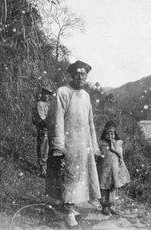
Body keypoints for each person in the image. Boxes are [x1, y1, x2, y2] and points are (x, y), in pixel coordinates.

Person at [46, 61, 101, 229]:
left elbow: (90, 122)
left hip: (83, 144)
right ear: (71, 75)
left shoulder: (85, 95)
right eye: (77, 73)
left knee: (81, 177)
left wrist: (94, 145)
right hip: (69, 144)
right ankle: (68, 211)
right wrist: (58, 145)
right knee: (68, 176)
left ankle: (72, 206)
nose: (80, 77)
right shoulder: (62, 92)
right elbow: (56, 120)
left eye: (83, 74)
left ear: (86, 77)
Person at [97, 121, 131, 215]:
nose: (110, 135)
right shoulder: (101, 143)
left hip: (114, 170)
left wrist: (114, 144)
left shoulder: (118, 143)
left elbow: (120, 155)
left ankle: (111, 205)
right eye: (108, 133)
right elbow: (96, 154)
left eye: (112, 133)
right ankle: (104, 206)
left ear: (115, 134)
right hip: (104, 170)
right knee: (104, 188)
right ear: (104, 134)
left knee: (113, 188)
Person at [32, 85, 53, 177]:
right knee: (42, 147)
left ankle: (45, 166)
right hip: (43, 128)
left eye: (49, 95)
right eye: (46, 94)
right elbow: (42, 118)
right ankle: (42, 168)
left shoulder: (49, 104)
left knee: (48, 148)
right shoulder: (39, 104)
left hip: (49, 129)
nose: (48, 96)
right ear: (43, 94)